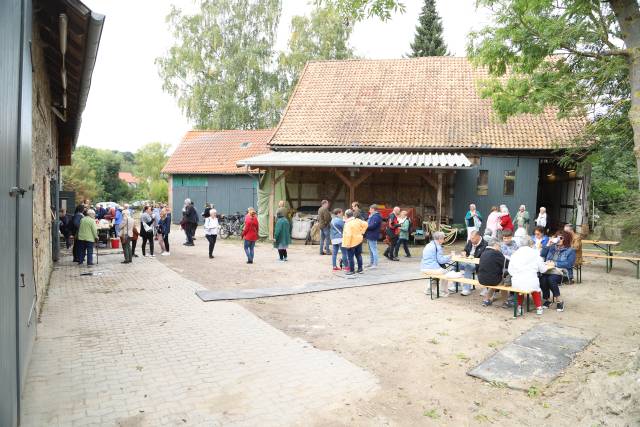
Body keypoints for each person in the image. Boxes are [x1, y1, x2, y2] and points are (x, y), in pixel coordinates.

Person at [508, 235, 547, 315]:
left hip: (517, 282)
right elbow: (543, 270)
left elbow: (510, 271)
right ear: (530, 244)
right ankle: (539, 308)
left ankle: (519, 307)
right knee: (535, 288)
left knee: (520, 289)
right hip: (531, 281)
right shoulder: (535, 253)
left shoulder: (515, 254)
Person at [540, 231, 576, 312]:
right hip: (549, 271)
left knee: (551, 279)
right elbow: (542, 254)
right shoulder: (552, 247)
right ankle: (548, 300)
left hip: (563, 273)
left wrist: (555, 263)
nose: (558, 239)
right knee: (542, 279)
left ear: (566, 239)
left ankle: (559, 300)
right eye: (557, 237)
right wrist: (548, 244)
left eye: (561, 238)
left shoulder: (571, 250)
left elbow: (569, 264)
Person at [420, 231, 460, 297]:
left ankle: (429, 290)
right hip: (431, 268)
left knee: (438, 273)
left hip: (423, 267)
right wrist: (450, 256)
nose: (444, 240)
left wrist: (447, 256)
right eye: (443, 238)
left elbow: (437, 258)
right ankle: (443, 292)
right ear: (440, 239)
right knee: (446, 272)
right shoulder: (438, 247)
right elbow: (441, 261)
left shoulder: (429, 245)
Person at [455, 230, 488, 296]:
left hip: (478, 264)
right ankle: (456, 285)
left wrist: (472, 258)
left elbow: (484, 257)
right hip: (468, 261)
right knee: (455, 265)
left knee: (468, 267)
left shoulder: (485, 244)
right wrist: (463, 252)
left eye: (473, 238)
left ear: (478, 237)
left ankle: (466, 289)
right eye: (471, 238)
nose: (471, 240)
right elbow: (465, 250)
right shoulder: (470, 241)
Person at [479, 238, 507, 306]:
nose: (499, 247)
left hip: (481, 279)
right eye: (499, 246)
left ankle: (486, 300)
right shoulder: (497, 253)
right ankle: (505, 302)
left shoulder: (483, 252)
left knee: (494, 280)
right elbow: (506, 264)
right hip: (492, 280)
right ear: (495, 245)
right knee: (503, 282)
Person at [341, 209, 368, 277]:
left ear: (346, 215)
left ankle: (352, 270)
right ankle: (360, 269)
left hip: (351, 242)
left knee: (350, 257)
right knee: (358, 255)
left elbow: (348, 235)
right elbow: (366, 224)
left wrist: (347, 244)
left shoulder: (348, 224)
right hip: (359, 240)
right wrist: (362, 232)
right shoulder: (358, 220)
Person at [364, 204, 382, 269]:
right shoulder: (372, 216)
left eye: (370, 209)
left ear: (373, 209)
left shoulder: (376, 217)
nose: (369, 210)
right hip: (369, 234)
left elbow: (372, 226)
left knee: (374, 250)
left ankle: (375, 264)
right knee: (370, 250)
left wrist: (364, 226)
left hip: (373, 235)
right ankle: (371, 263)